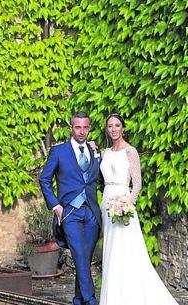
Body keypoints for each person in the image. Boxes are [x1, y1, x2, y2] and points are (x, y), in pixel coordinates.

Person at [99, 113, 178, 305]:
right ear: (106, 129)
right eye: (110, 126)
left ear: (123, 128)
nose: (113, 129)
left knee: (126, 251)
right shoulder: (104, 152)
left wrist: (126, 205)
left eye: (117, 125)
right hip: (107, 204)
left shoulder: (130, 151)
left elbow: (137, 184)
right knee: (110, 251)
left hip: (123, 204)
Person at [39, 111, 102, 305]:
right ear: (71, 128)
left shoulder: (94, 151)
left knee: (84, 258)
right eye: (78, 127)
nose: (82, 131)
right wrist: (56, 206)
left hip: (91, 213)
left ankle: (77, 299)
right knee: (80, 255)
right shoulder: (59, 152)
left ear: (89, 128)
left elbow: (99, 179)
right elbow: (44, 179)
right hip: (70, 213)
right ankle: (91, 301)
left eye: (85, 127)